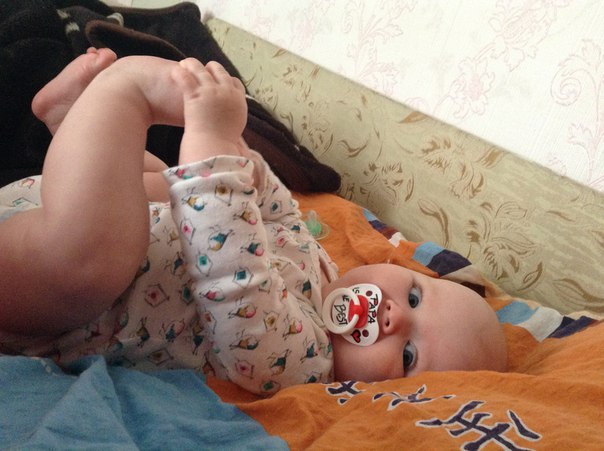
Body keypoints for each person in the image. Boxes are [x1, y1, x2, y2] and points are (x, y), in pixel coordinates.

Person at [0, 49, 507, 395]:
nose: (393, 317)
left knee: (96, 261)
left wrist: (212, 149)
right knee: (163, 188)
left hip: (50, 307)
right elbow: (273, 209)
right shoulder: (321, 270)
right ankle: (76, 124)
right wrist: (238, 158)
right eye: (414, 296)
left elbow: (238, 288)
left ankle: (123, 90)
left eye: (409, 356)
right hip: (62, 218)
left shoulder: (305, 365)